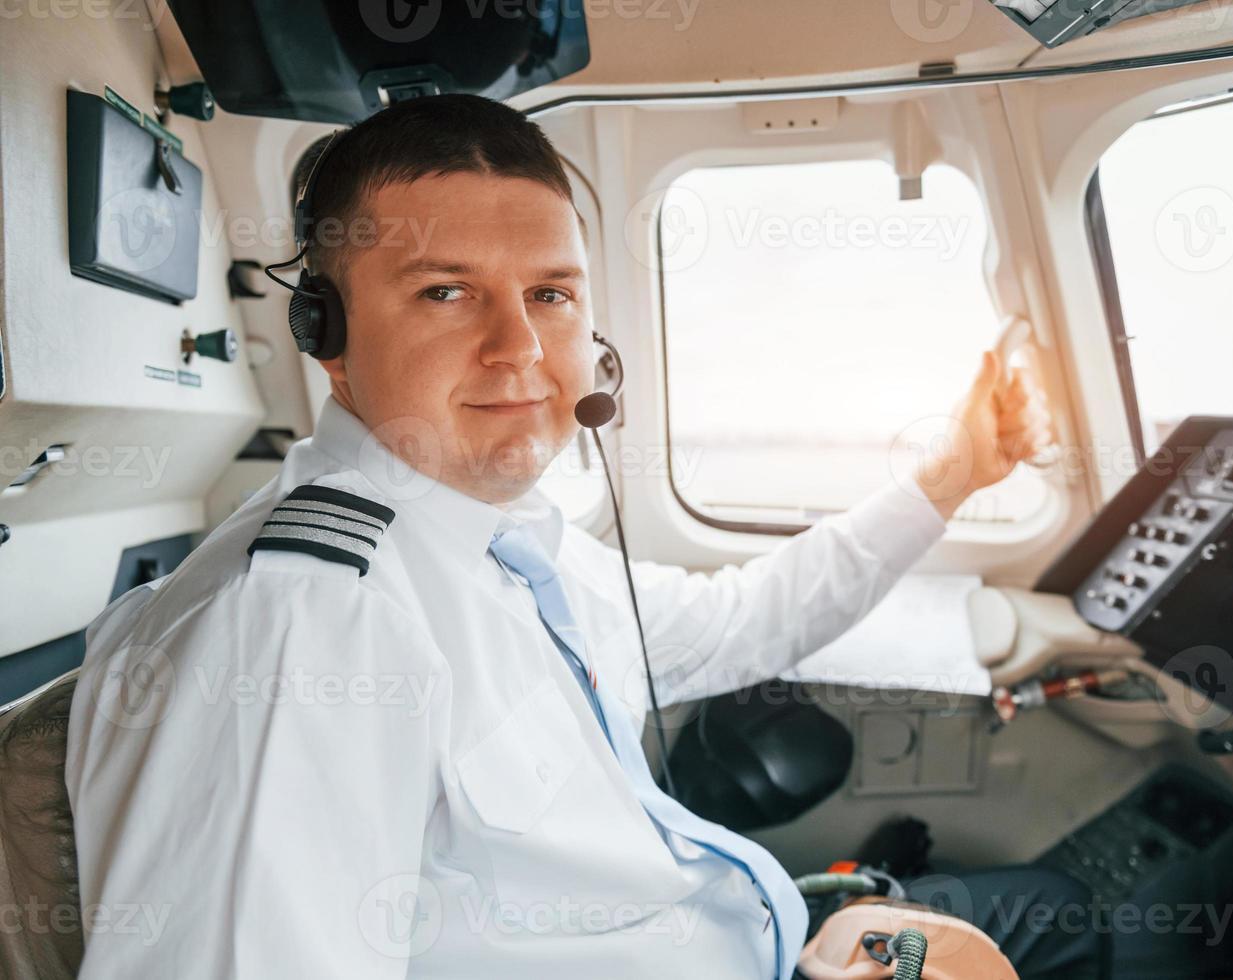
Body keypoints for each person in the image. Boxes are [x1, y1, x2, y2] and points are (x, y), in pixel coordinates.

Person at [65, 94, 1080, 978]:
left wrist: (951, 478)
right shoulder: (303, 624)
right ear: (326, 339)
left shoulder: (507, 538)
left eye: (549, 294)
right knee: (1044, 923)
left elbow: (735, 623)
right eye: (445, 291)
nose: (519, 350)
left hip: (763, 941)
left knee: (1040, 907)